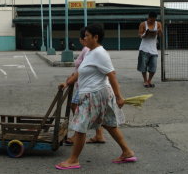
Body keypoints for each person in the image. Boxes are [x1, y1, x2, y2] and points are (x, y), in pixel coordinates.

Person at [56, 24, 136, 170]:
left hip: (94, 94)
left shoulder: (100, 53)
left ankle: (73, 160)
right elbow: (80, 72)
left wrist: (119, 97)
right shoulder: (90, 52)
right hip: (95, 93)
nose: (84, 38)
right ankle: (127, 152)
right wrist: (67, 83)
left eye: (87, 35)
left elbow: (111, 75)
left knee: (80, 126)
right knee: (109, 124)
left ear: (96, 37)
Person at [65, 27, 106, 146]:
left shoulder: (90, 50)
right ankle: (98, 134)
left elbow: (85, 69)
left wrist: (71, 80)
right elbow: (81, 68)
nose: (83, 39)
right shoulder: (87, 50)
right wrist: (70, 79)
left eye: (86, 36)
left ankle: (77, 135)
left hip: (85, 86)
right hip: (82, 83)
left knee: (78, 109)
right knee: (93, 113)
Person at [137, 12, 163, 88]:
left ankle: (149, 81)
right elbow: (140, 35)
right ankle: (145, 81)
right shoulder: (143, 24)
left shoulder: (158, 24)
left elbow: (161, 35)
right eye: (151, 20)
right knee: (143, 66)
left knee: (153, 67)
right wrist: (145, 34)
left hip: (153, 49)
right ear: (148, 17)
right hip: (144, 48)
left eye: (154, 20)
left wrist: (159, 31)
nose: (152, 21)